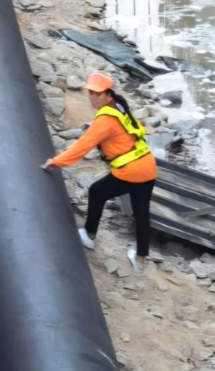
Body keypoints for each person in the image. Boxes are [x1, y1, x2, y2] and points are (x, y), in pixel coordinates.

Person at [43, 72, 157, 271]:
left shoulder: (105, 120)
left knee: (97, 191)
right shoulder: (119, 106)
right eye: (91, 93)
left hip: (131, 170)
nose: (92, 98)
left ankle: (89, 234)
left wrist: (56, 161)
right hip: (147, 165)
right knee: (142, 214)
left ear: (107, 94)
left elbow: (82, 146)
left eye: (97, 94)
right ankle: (140, 259)